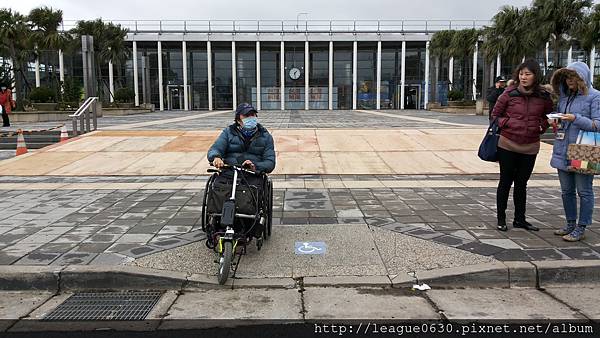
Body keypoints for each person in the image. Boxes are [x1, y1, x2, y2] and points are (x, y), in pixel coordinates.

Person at [492, 59, 553, 232]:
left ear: (535, 76)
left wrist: (542, 126)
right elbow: (495, 115)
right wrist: (507, 123)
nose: (524, 77)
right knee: (505, 181)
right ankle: (501, 218)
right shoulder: (509, 93)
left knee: (521, 183)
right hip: (508, 144)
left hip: (530, 146)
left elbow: (548, 116)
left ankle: (520, 219)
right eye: (521, 73)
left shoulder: (543, 96)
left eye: (528, 74)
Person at [550, 62, 600, 241]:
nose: (569, 80)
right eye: (567, 77)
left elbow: (597, 124)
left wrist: (575, 118)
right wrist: (556, 123)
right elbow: (564, 123)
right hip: (563, 149)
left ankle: (582, 226)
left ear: (582, 77)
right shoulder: (565, 97)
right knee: (566, 191)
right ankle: (570, 223)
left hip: (584, 150)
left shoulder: (595, 97)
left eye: (573, 77)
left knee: (584, 191)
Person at [207, 103, 275, 174]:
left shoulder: (265, 136)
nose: (250, 118)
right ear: (238, 120)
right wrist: (216, 157)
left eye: (253, 115)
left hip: (254, 175)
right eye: (246, 116)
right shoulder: (228, 132)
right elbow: (216, 148)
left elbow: (270, 162)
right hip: (230, 172)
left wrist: (255, 165)